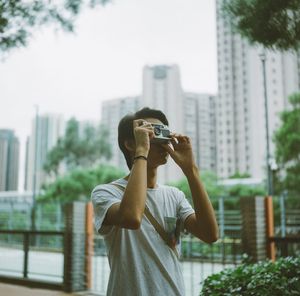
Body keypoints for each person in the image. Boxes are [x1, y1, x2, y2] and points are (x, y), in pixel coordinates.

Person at [91, 107, 219, 296]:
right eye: (152, 134)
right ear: (130, 144)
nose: (162, 142)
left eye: (164, 133)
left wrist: (191, 170)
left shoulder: (174, 195)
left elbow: (210, 234)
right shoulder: (106, 193)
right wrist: (142, 150)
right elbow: (132, 217)